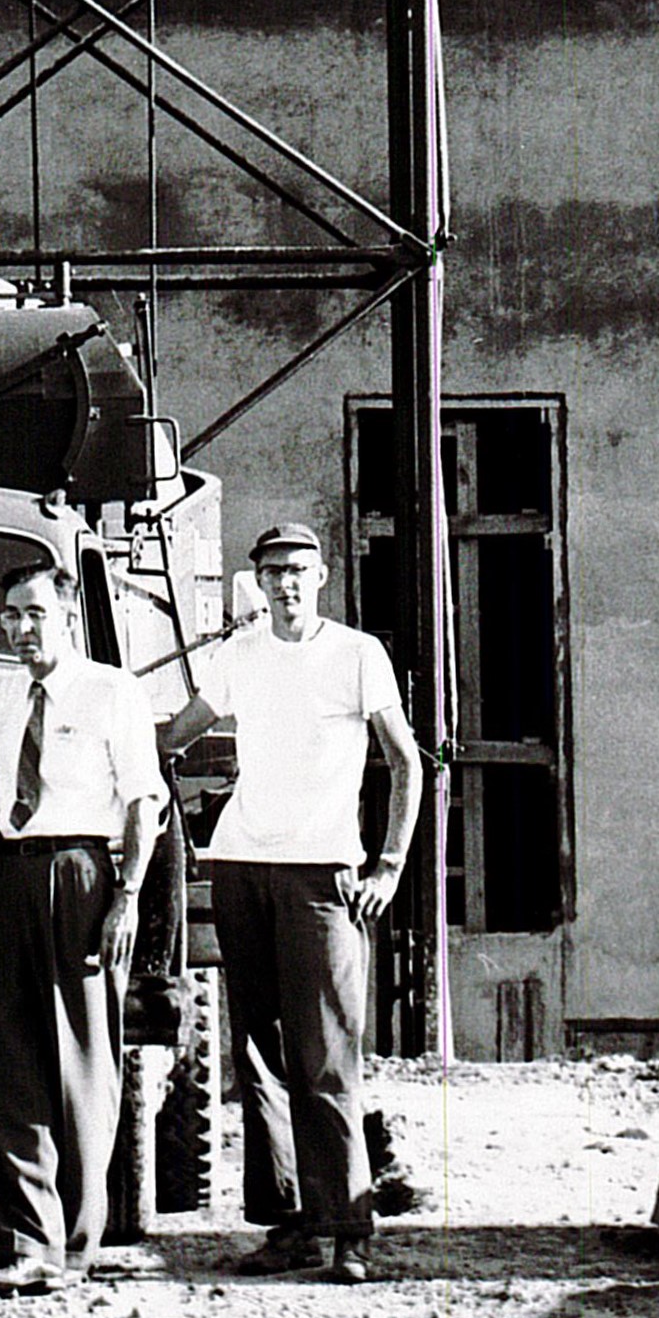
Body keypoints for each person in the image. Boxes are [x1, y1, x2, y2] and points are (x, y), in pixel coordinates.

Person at [173, 517, 419, 1279]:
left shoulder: (356, 653)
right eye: (272, 569)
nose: (285, 582)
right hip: (242, 866)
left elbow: (405, 762)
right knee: (259, 1055)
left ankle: (348, 1228)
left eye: (298, 569)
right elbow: (172, 733)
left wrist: (386, 866)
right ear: (257, 580)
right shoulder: (235, 655)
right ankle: (290, 1225)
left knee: (325, 1056)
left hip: (323, 875)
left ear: (319, 578)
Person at [0, 557, 166, 1292]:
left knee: (81, 1057)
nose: (22, 629)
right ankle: (25, 1242)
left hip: (82, 874)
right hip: (13, 872)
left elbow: (144, 803)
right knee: (9, 1055)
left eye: (35, 614)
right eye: (12, 615)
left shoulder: (112, 690)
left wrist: (127, 895)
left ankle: (76, 1245)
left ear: (69, 616)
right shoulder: (13, 687)